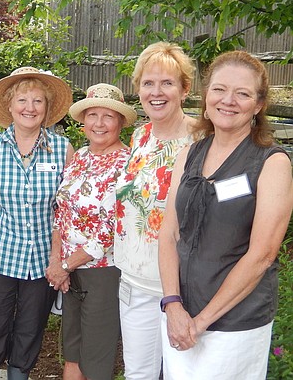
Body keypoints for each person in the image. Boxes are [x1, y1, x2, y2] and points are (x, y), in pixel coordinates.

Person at [158, 51, 293, 378]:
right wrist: (173, 306)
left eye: (243, 93)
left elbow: (262, 255)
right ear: (206, 97)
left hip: (234, 326)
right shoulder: (189, 154)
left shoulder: (272, 163)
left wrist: (200, 322)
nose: (228, 100)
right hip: (180, 316)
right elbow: (168, 234)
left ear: (258, 105)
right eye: (219, 89)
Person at [0, 67, 74, 380]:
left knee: (30, 329)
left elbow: (66, 209)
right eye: (23, 100)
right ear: (11, 106)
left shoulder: (62, 149)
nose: (30, 107)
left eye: (38, 101)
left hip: (43, 259)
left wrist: (62, 262)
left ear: (46, 108)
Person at [113, 42, 196, 379]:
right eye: (148, 83)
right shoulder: (140, 135)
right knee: (139, 374)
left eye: (167, 83)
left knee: (184, 374)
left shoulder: (201, 140)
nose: (156, 92)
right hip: (133, 280)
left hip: (180, 287)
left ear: (184, 89)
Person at [47, 84, 137, 380]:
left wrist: (64, 267)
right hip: (70, 270)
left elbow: (111, 228)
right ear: (83, 121)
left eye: (108, 116)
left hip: (101, 271)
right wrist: (57, 260)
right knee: (72, 352)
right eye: (93, 115)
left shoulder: (127, 164)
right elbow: (62, 211)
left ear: (120, 122)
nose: (99, 123)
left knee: (96, 357)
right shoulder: (80, 157)